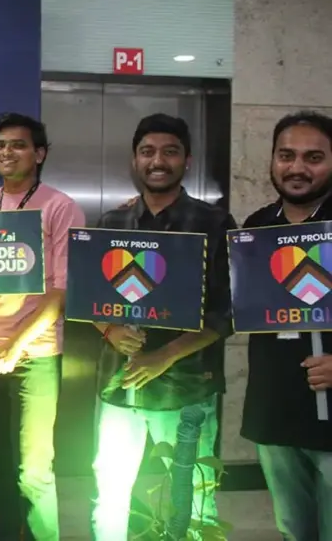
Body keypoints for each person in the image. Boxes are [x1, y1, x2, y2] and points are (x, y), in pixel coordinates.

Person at [90, 113, 235, 540]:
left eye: (170, 152)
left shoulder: (214, 224)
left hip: (188, 388)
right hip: (119, 386)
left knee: (195, 500)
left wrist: (165, 356)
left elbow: (228, 312)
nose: (158, 161)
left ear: (186, 160)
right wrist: (109, 330)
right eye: (147, 151)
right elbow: (88, 298)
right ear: (135, 160)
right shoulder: (112, 223)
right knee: (110, 496)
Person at [0, 113, 84, 541]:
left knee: (33, 468)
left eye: (18, 145)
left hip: (35, 352)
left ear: (39, 154)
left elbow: (62, 291)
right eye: (0, 145)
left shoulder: (60, 208)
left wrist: (15, 346)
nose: (7, 152)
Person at [241, 111, 332, 540]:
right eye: (286, 155)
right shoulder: (256, 227)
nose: (297, 167)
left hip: (329, 415)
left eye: (313, 157)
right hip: (275, 412)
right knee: (293, 529)